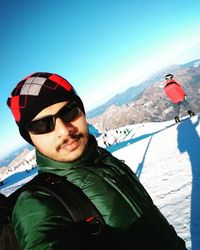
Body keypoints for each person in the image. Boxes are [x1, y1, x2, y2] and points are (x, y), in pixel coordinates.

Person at [7, 72, 187, 249]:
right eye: (42, 125)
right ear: (30, 138)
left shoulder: (104, 161)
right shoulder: (36, 203)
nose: (64, 130)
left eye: (69, 112)